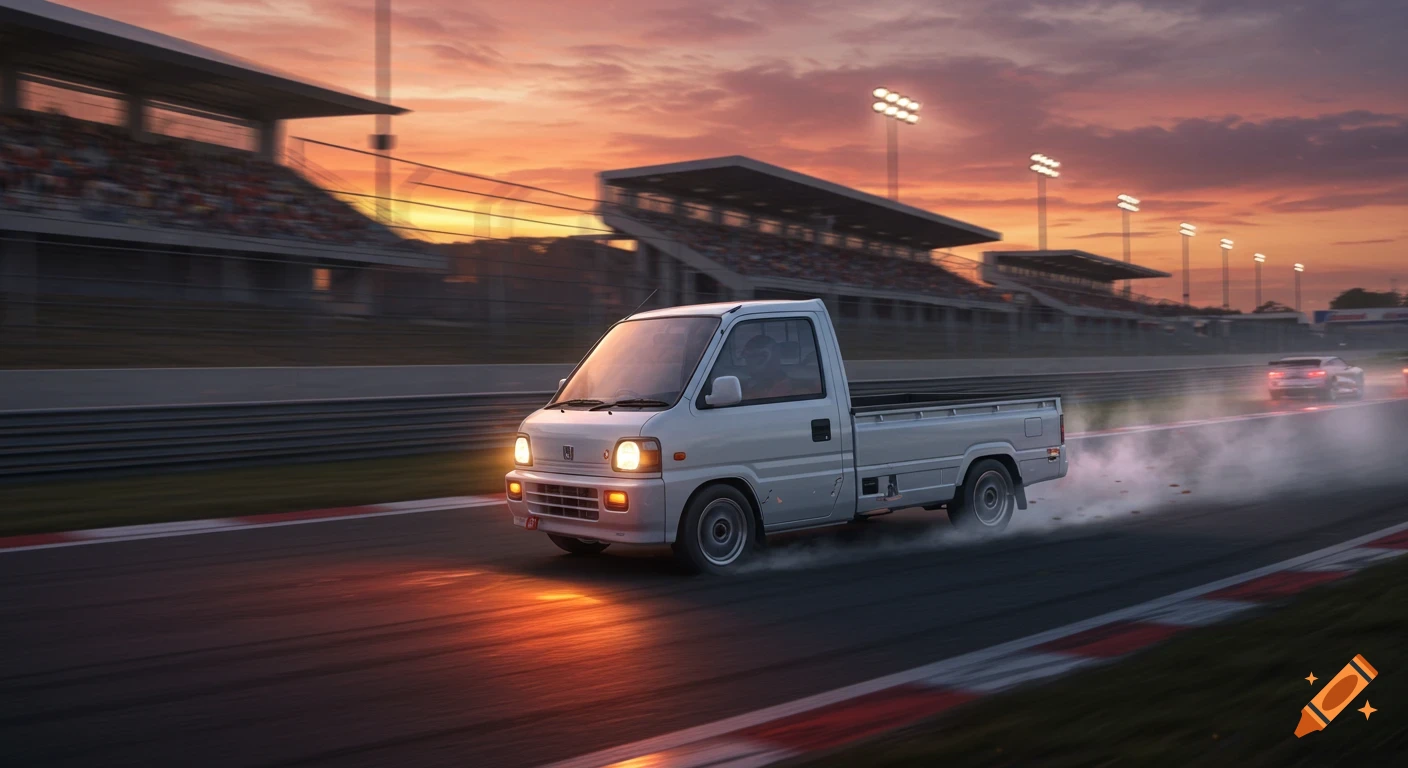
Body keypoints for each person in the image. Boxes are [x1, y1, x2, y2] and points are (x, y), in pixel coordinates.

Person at [740, 333, 795, 400]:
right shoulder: (756, 382)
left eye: (751, 357)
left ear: (764, 359)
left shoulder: (779, 390)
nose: (747, 362)